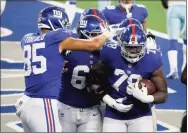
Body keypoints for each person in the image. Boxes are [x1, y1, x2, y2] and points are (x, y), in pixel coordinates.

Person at [14, 6, 113, 132]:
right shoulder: (56, 37)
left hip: (25, 102)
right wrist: (108, 32)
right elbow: (94, 44)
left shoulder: (26, 39)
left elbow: (45, 49)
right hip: (43, 102)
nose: (66, 27)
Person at [58, 15, 134, 132]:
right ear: (84, 34)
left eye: (101, 34)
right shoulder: (68, 51)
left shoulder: (106, 51)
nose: (101, 38)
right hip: (65, 107)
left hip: (92, 109)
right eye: (96, 34)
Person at [88, 24, 168, 132]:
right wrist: (110, 101)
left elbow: (163, 93)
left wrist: (147, 98)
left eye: (137, 47)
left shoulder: (152, 58)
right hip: (113, 114)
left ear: (144, 45)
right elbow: (92, 80)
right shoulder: (110, 53)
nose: (133, 51)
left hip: (141, 115)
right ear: (120, 44)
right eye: (129, 47)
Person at [161, 0, 187, 79]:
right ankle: (185, 70)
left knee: (173, 40)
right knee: (186, 41)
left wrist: (165, 4)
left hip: (173, 6)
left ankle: (174, 71)